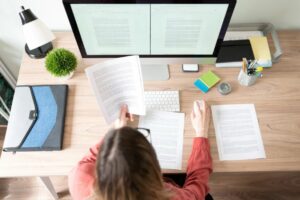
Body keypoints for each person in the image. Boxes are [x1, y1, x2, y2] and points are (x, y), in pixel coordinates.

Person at [69, 100, 212, 200]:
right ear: (155, 171)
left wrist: (117, 133)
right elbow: (196, 191)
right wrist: (201, 133)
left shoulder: (79, 179)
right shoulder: (170, 196)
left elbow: (87, 161)